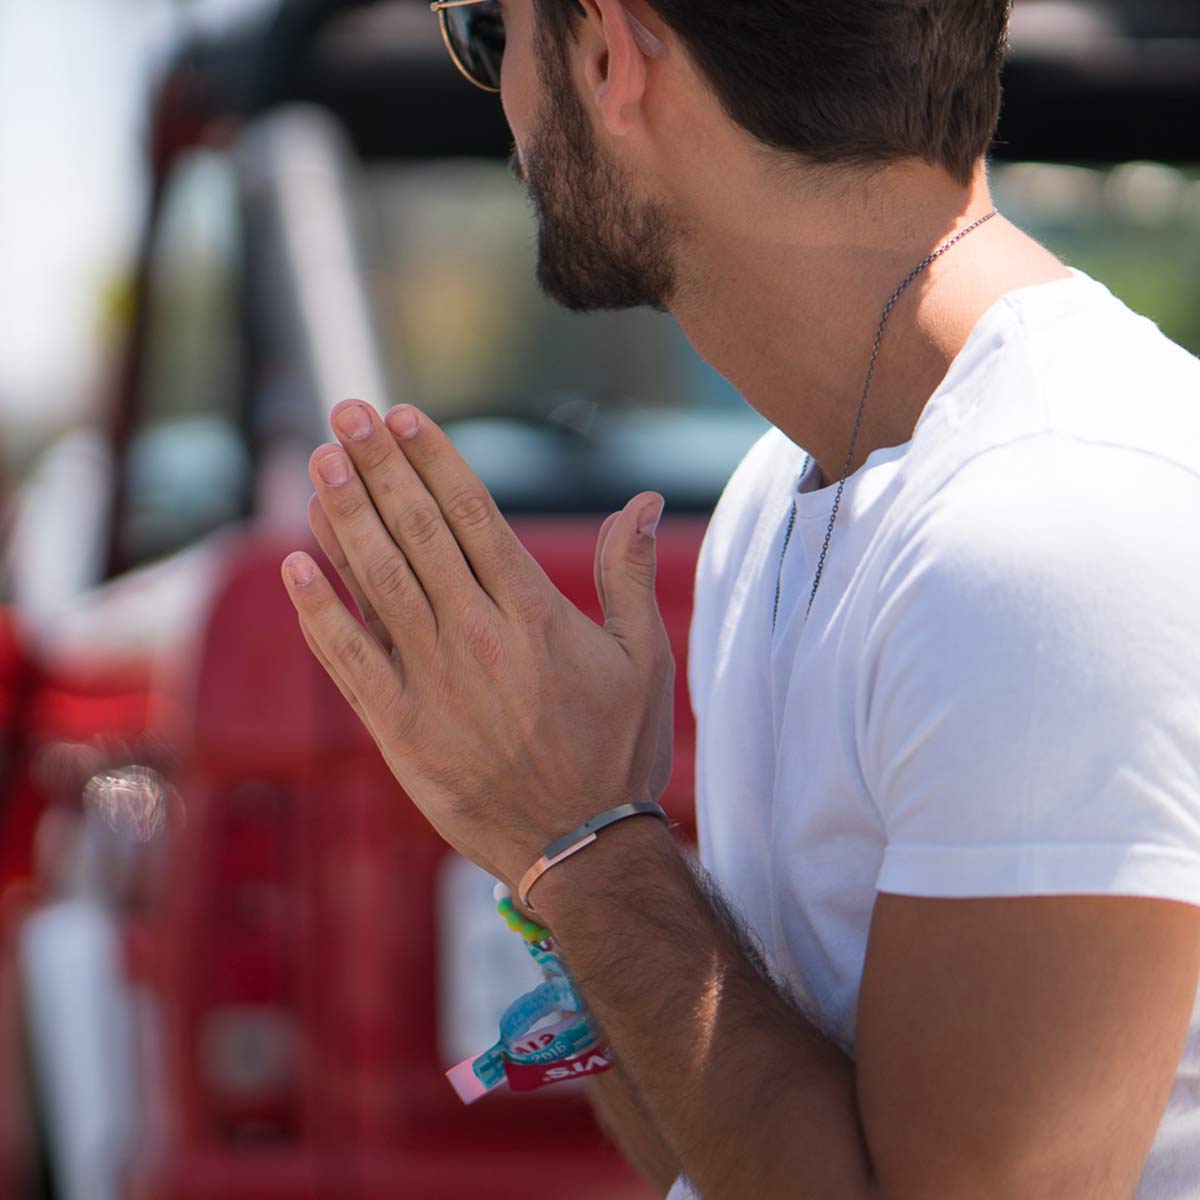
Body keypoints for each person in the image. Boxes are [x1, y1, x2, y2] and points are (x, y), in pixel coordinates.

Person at [280, 1, 1200, 1196]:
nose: (497, 95)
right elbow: (721, 1152)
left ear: (610, 53)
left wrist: (583, 843)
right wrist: (557, 849)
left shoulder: (1047, 533)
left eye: (489, 30)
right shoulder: (782, 494)